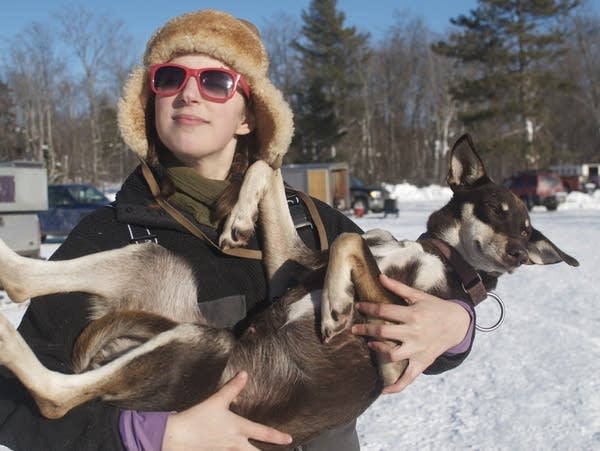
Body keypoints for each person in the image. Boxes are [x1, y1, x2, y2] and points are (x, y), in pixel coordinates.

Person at [0, 9, 474, 451]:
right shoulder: (106, 237)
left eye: (215, 81)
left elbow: (412, 336)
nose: (189, 94)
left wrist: (456, 324)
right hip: (160, 390)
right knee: (154, 269)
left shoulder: (314, 223)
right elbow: (11, 406)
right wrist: (148, 434)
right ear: (150, 103)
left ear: (249, 116)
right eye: (169, 79)